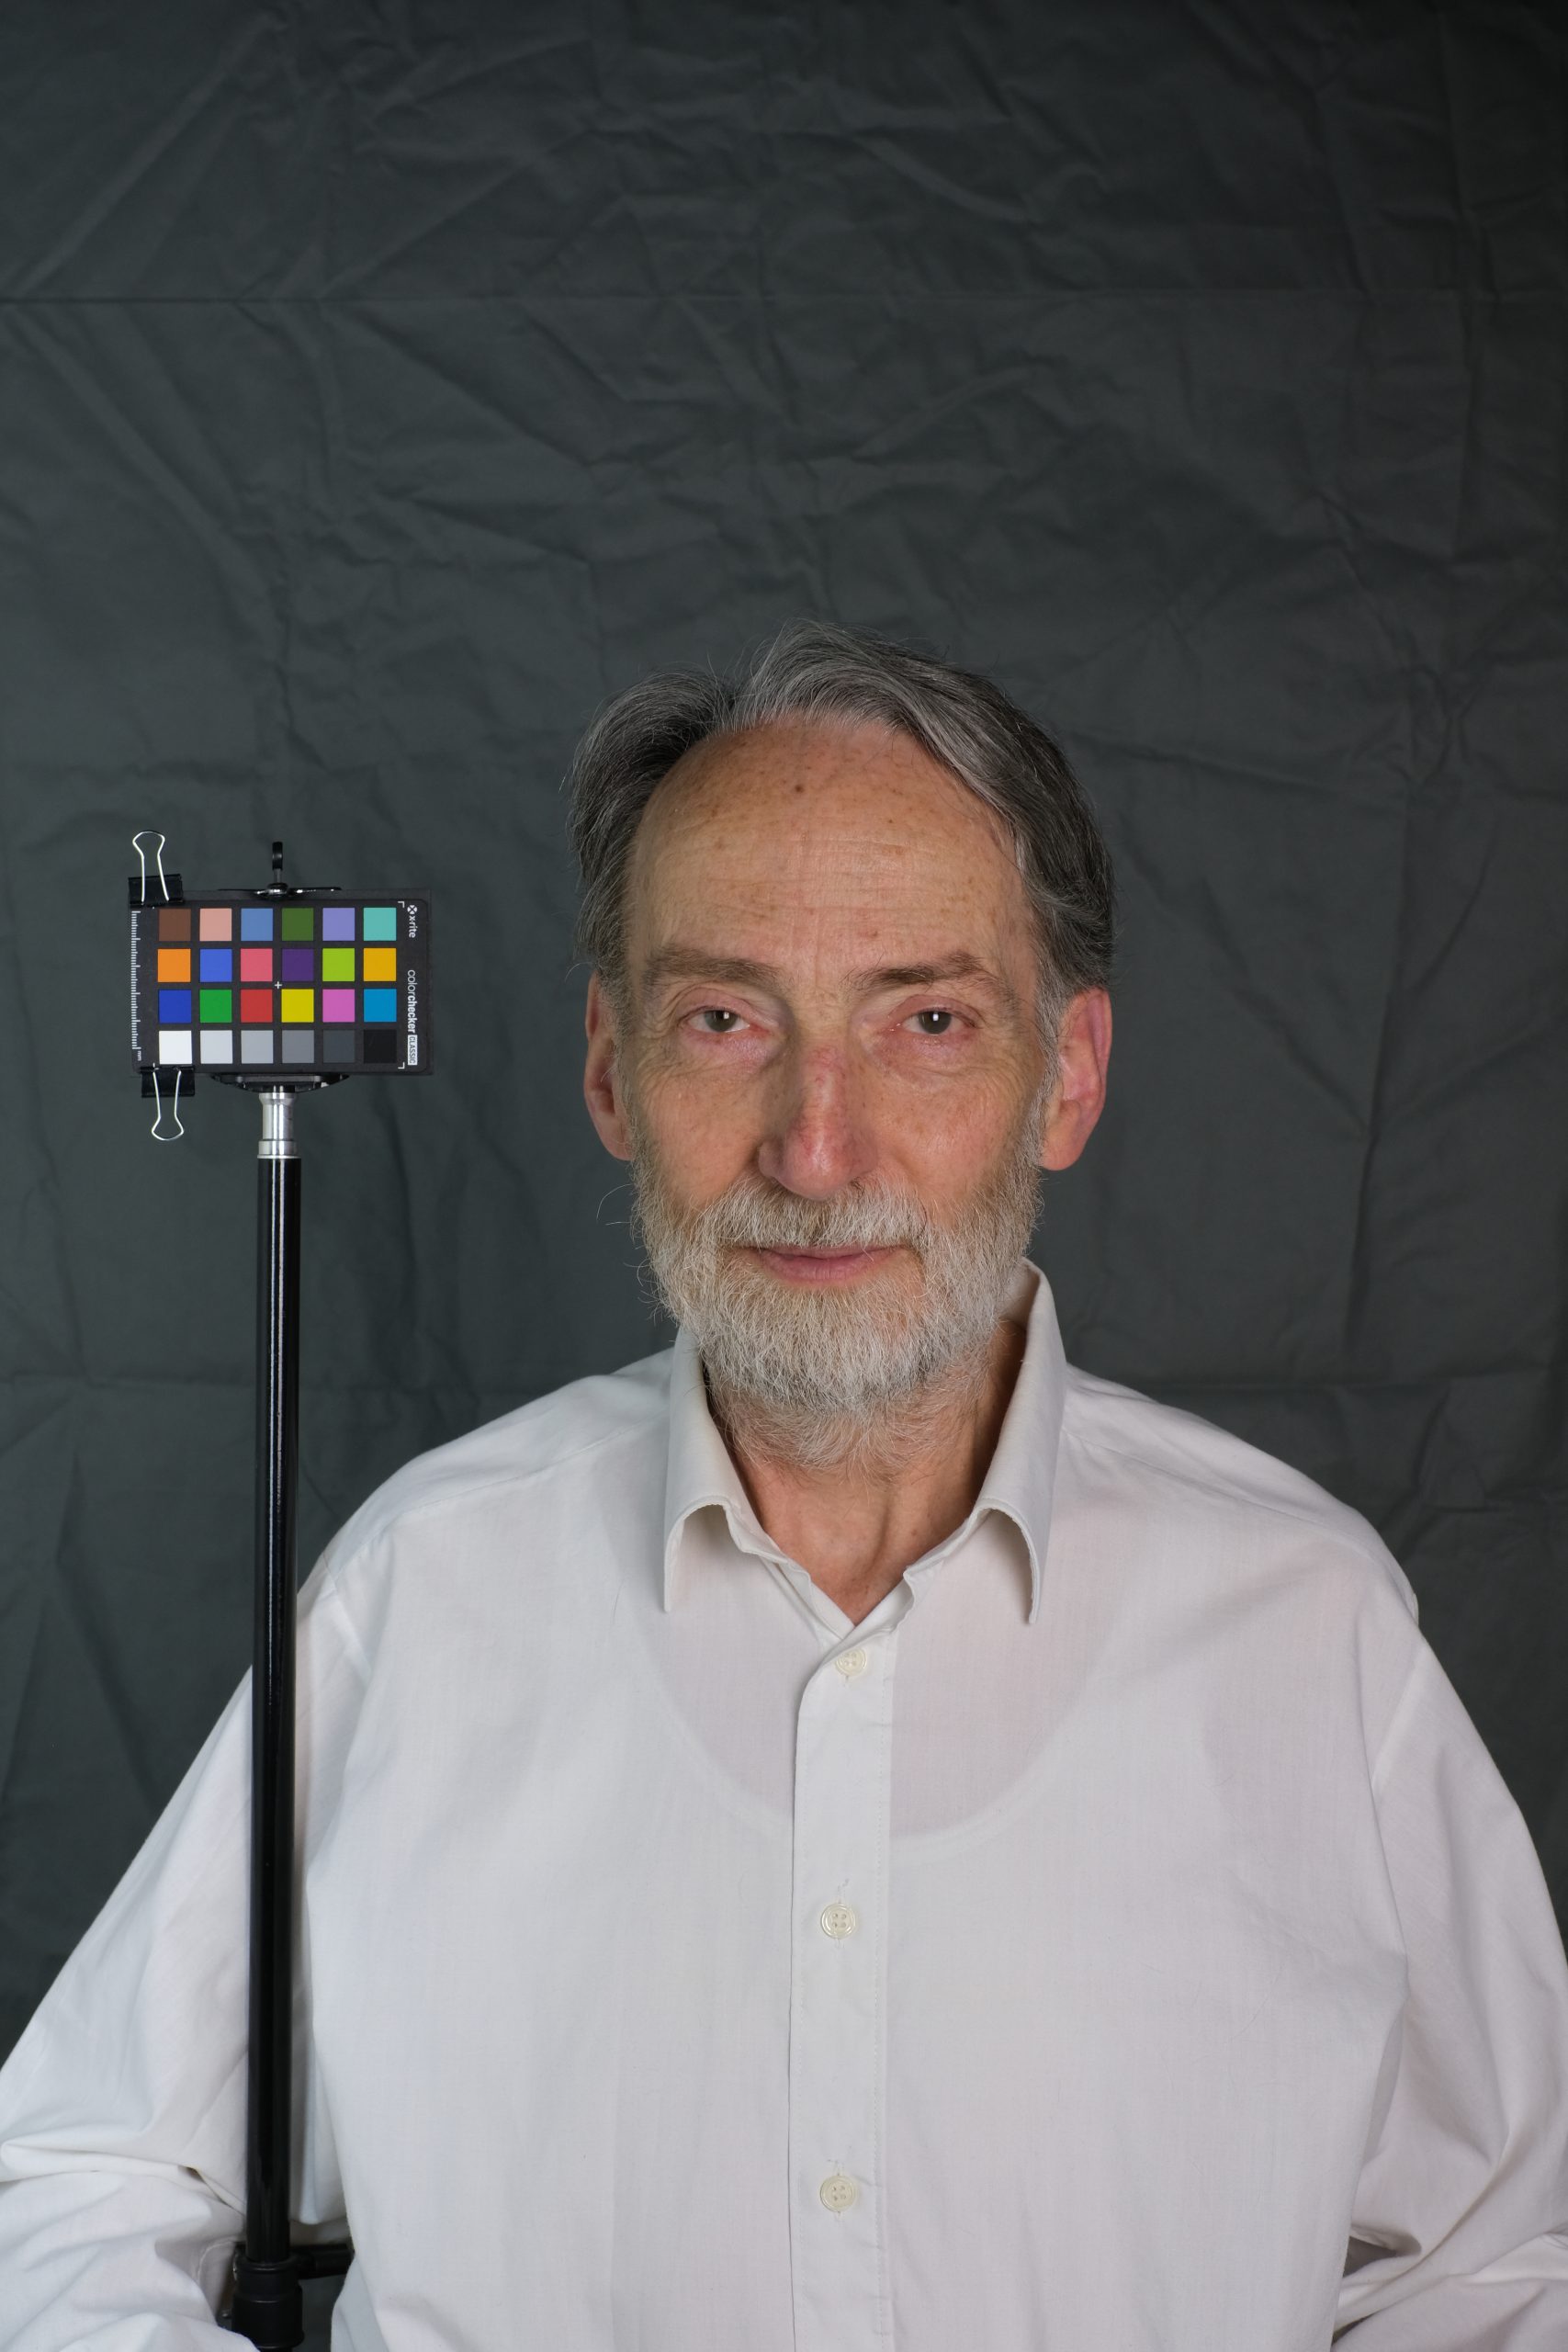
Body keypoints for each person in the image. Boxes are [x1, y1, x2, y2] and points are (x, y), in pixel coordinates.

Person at [1, 620, 1566, 2351]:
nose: (818, 1150)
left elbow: (1503, 2264)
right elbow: (75, 2180)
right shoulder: (418, 1594)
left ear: (1068, 1076)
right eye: (726, 1018)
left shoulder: (1310, 1630)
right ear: (613, 1070)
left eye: (929, 1021)